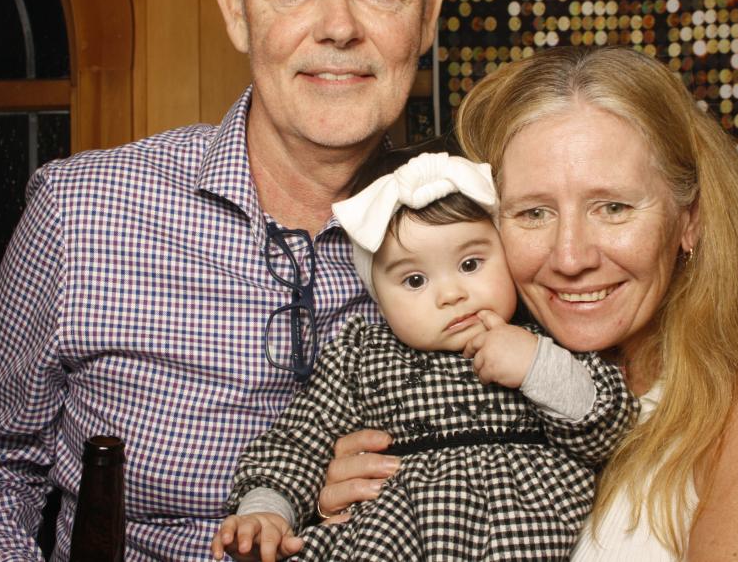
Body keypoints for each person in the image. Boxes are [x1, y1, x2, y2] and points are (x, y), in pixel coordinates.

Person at [0, 0, 443, 559]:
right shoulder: (82, 210)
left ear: (427, 12)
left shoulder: (484, 237)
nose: (338, 29)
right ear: (237, 8)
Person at [321, 46, 738, 559]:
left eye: (614, 208)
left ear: (689, 220)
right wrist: (380, 506)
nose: (571, 257)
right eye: (533, 213)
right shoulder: (499, 380)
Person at [210, 150, 638, 561]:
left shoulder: (542, 339)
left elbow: (609, 430)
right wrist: (266, 512)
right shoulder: (361, 356)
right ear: (378, 297)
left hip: (525, 534)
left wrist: (536, 366)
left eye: (470, 264)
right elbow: (298, 443)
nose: (451, 294)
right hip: (396, 535)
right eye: (414, 280)